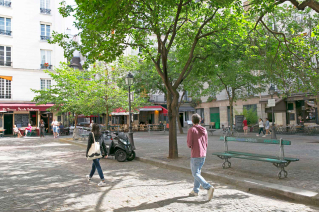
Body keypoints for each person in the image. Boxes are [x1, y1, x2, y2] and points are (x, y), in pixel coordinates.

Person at [187, 113, 214, 201]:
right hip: (203, 153)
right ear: (200, 120)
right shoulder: (204, 130)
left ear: (192, 121)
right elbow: (206, 142)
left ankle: (208, 187)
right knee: (197, 173)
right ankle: (195, 190)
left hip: (195, 154)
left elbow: (189, 143)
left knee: (195, 173)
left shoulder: (191, 130)